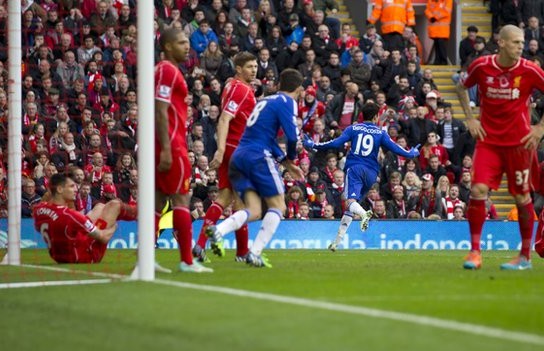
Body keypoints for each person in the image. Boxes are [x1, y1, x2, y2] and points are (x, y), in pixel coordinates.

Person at [457, 25, 544, 271]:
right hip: (489, 143)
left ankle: (524, 256)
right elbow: (461, 87)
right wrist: (470, 118)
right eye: (516, 42)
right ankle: (475, 252)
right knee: (477, 189)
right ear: (502, 43)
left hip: (519, 145)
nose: (521, 47)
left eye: (522, 42)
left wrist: (540, 128)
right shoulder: (482, 66)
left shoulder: (529, 70)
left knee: (521, 197)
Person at [205, 69, 305, 268]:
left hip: (239, 156)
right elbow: (292, 137)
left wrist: (286, 164)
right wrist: (292, 158)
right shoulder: (287, 102)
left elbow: (265, 137)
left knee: (254, 210)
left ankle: (219, 231)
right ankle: (254, 253)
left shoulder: (264, 101)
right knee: (279, 206)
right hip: (258, 156)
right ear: (299, 89)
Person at [303, 102, 420, 252]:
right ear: (376, 116)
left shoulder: (354, 128)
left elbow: (335, 142)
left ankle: (365, 214)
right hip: (371, 174)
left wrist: (313, 145)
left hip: (355, 169)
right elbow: (396, 148)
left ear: (361, 115)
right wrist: (411, 154)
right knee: (351, 206)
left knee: (350, 201)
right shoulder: (380, 133)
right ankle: (336, 242)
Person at [155, 28, 212, 273]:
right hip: (171, 143)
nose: (186, 46)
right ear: (167, 46)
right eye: (181, 42)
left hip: (164, 141)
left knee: (157, 202)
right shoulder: (167, 70)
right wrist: (167, 149)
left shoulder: (165, 70)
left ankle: (146, 258)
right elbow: (160, 108)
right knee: (180, 200)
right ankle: (187, 261)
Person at [193, 52, 258, 263]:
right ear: (238, 69)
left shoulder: (230, 85)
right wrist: (220, 151)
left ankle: (203, 245)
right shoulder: (241, 89)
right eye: (249, 66)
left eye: (255, 66)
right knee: (242, 202)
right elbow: (224, 119)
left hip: (233, 148)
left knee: (226, 198)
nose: (254, 70)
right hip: (238, 150)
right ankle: (241, 252)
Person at [33, 173, 136, 264]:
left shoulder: (38, 209)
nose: (76, 189)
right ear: (60, 189)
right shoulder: (70, 216)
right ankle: (141, 213)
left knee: (99, 206)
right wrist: (113, 226)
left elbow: (40, 226)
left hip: (60, 256)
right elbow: (103, 238)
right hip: (86, 256)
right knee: (114, 205)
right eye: (72, 186)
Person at [424, 0, 453, 65]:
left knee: (441, 45)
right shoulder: (431, 1)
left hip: (442, 29)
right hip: (434, 29)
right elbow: (427, 10)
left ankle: (443, 61)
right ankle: (437, 61)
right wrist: (431, 17)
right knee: (437, 45)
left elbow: (446, 11)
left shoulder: (447, 1)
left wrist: (435, 17)